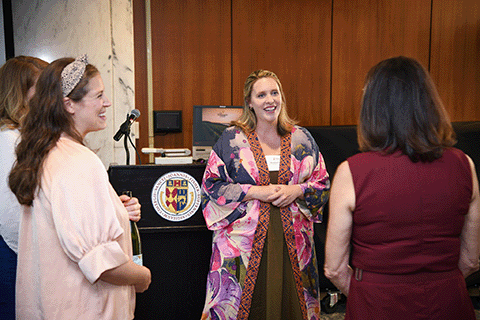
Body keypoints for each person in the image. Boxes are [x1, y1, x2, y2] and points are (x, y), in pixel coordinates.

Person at [324, 56, 480, 319]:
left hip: (376, 305)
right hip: (447, 301)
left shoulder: (351, 172)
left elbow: (335, 269)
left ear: (373, 108)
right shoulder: (464, 164)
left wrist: (370, 291)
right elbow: (471, 259)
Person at [8, 55, 151, 319]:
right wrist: (142, 276)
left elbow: (65, 222)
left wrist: (112, 209)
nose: (106, 103)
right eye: (98, 96)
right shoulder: (78, 161)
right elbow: (101, 264)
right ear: (69, 105)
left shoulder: (50, 152)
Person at [201, 69, 330, 320]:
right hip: (241, 246)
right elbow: (211, 186)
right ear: (249, 102)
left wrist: (298, 189)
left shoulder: (301, 139)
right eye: (261, 95)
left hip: (292, 242)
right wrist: (255, 191)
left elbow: (322, 183)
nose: (270, 100)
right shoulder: (231, 140)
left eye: (274, 93)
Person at [0, 55, 48, 320]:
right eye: (39, 90)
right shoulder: (7, 140)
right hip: (12, 254)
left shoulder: (23, 137)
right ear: (19, 93)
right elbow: (10, 217)